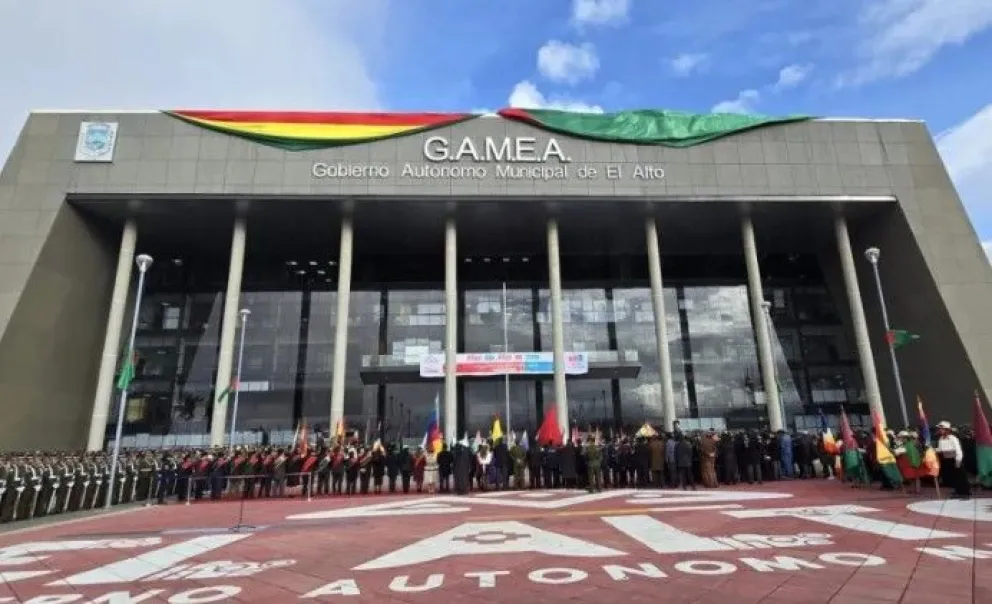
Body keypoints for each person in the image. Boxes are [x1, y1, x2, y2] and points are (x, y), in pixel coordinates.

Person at [936, 421, 970, 499]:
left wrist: (958, 460)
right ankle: (958, 491)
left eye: (942, 429)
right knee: (953, 477)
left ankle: (965, 492)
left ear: (947, 429)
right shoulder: (941, 439)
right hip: (947, 459)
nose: (940, 430)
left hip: (955, 458)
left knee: (960, 476)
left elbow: (958, 450)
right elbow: (940, 449)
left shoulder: (953, 438)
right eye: (940, 429)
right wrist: (934, 449)